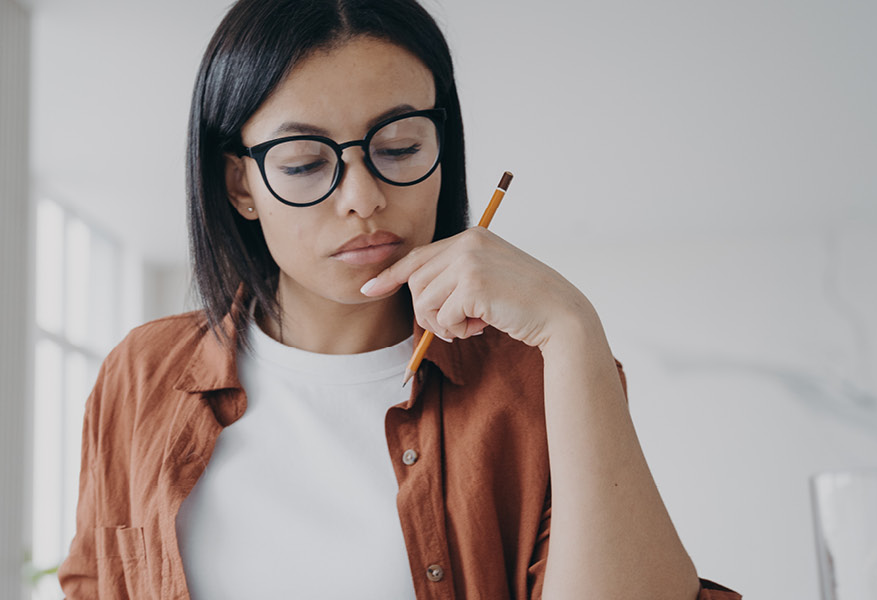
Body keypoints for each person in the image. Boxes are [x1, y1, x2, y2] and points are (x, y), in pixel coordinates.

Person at [59, 1, 742, 598]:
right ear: (240, 185)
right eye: (304, 163)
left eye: (399, 146)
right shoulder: (141, 374)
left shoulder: (534, 378)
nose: (363, 198)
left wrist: (573, 331)